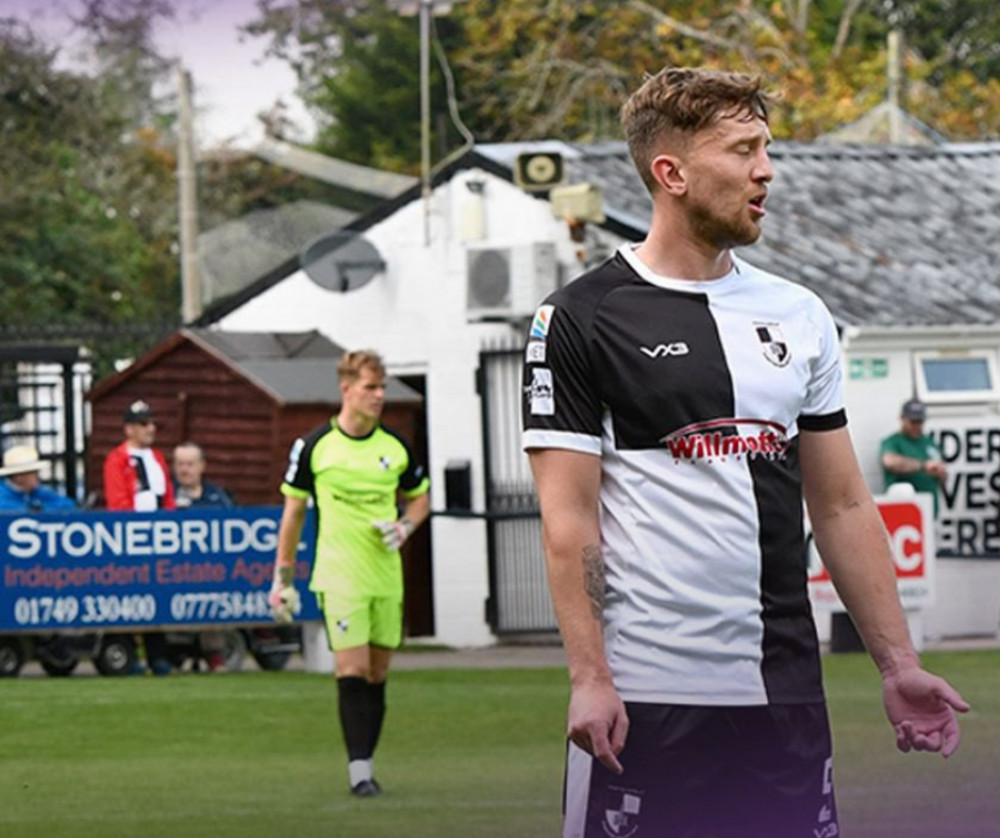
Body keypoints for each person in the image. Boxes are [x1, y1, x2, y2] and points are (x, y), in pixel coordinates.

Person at [521, 67, 969, 838]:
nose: (767, 170)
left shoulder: (800, 315)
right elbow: (570, 520)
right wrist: (591, 678)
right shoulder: (578, 320)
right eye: (744, 150)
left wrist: (897, 666)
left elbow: (843, 504)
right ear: (672, 173)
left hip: (786, 692)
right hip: (649, 700)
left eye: (767, 147)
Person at [269, 350, 430, 798]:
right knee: (353, 668)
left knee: (377, 674)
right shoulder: (315, 446)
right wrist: (282, 579)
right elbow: (293, 514)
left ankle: (366, 763)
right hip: (338, 575)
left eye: (381, 388)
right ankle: (359, 772)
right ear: (346, 390)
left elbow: (420, 498)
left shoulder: (395, 447)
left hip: (385, 575)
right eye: (370, 388)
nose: (379, 396)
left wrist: (404, 527)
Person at [103, 399, 176, 675]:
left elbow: (167, 495)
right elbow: (118, 501)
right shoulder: (117, 459)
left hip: (159, 534)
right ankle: (130, 655)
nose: (151, 429)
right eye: (144, 424)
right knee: (132, 597)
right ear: (129, 429)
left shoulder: (156, 457)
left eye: (151, 423)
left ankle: (159, 655)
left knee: (157, 595)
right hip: (133, 537)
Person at [172, 441, 234, 673]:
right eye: (179, 464)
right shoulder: (168, 496)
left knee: (213, 594)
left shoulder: (216, 497)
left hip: (210, 569)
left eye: (189, 464)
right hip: (175, 569)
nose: (184, 469)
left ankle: (215, 654)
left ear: (201, 466)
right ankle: (175, 654)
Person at [881, 397, 947, 512]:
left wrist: (941, 473)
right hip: (905, 513)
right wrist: (923, 466)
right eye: (913, 422)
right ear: (902, 419)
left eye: (920, 421)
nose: (917, 426)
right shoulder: (893, 442)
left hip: (931, 512)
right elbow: (890, 462)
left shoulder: (929, 443)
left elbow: (942, 478)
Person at [0, 444, 76, 512]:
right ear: (18, 476)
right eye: (33, 472)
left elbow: (69, 504)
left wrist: (40, 508)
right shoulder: (2, 493)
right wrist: (31, 509)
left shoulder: (39, 491)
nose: (37, 476)